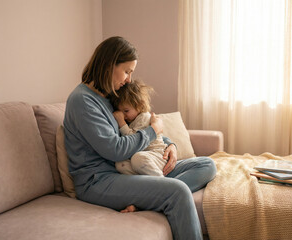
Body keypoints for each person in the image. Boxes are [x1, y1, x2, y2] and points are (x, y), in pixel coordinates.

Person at [63, 36, 217, 240]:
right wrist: (154, 131)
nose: (128, 79)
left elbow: (139, 124)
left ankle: (153, 196)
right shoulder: (82, 101)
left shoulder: (110, 95)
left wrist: (169, 145)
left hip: (130, 169)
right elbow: (115, 149)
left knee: (207, 165)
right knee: (178, 192)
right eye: (126, 71)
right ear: (109, 65)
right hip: (98, 180)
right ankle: (161, 194)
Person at [109, 79, 168, 176]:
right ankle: (145, 181)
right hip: (143, 158)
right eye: (120, 111)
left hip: (156, 156)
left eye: (126, 111)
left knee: (137, 158)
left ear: (140, 105)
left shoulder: (144, 117)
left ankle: (161, 181)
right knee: (121, 165)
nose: (123, 115)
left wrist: (121, 122)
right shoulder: (131, 120)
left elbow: (134, 141)